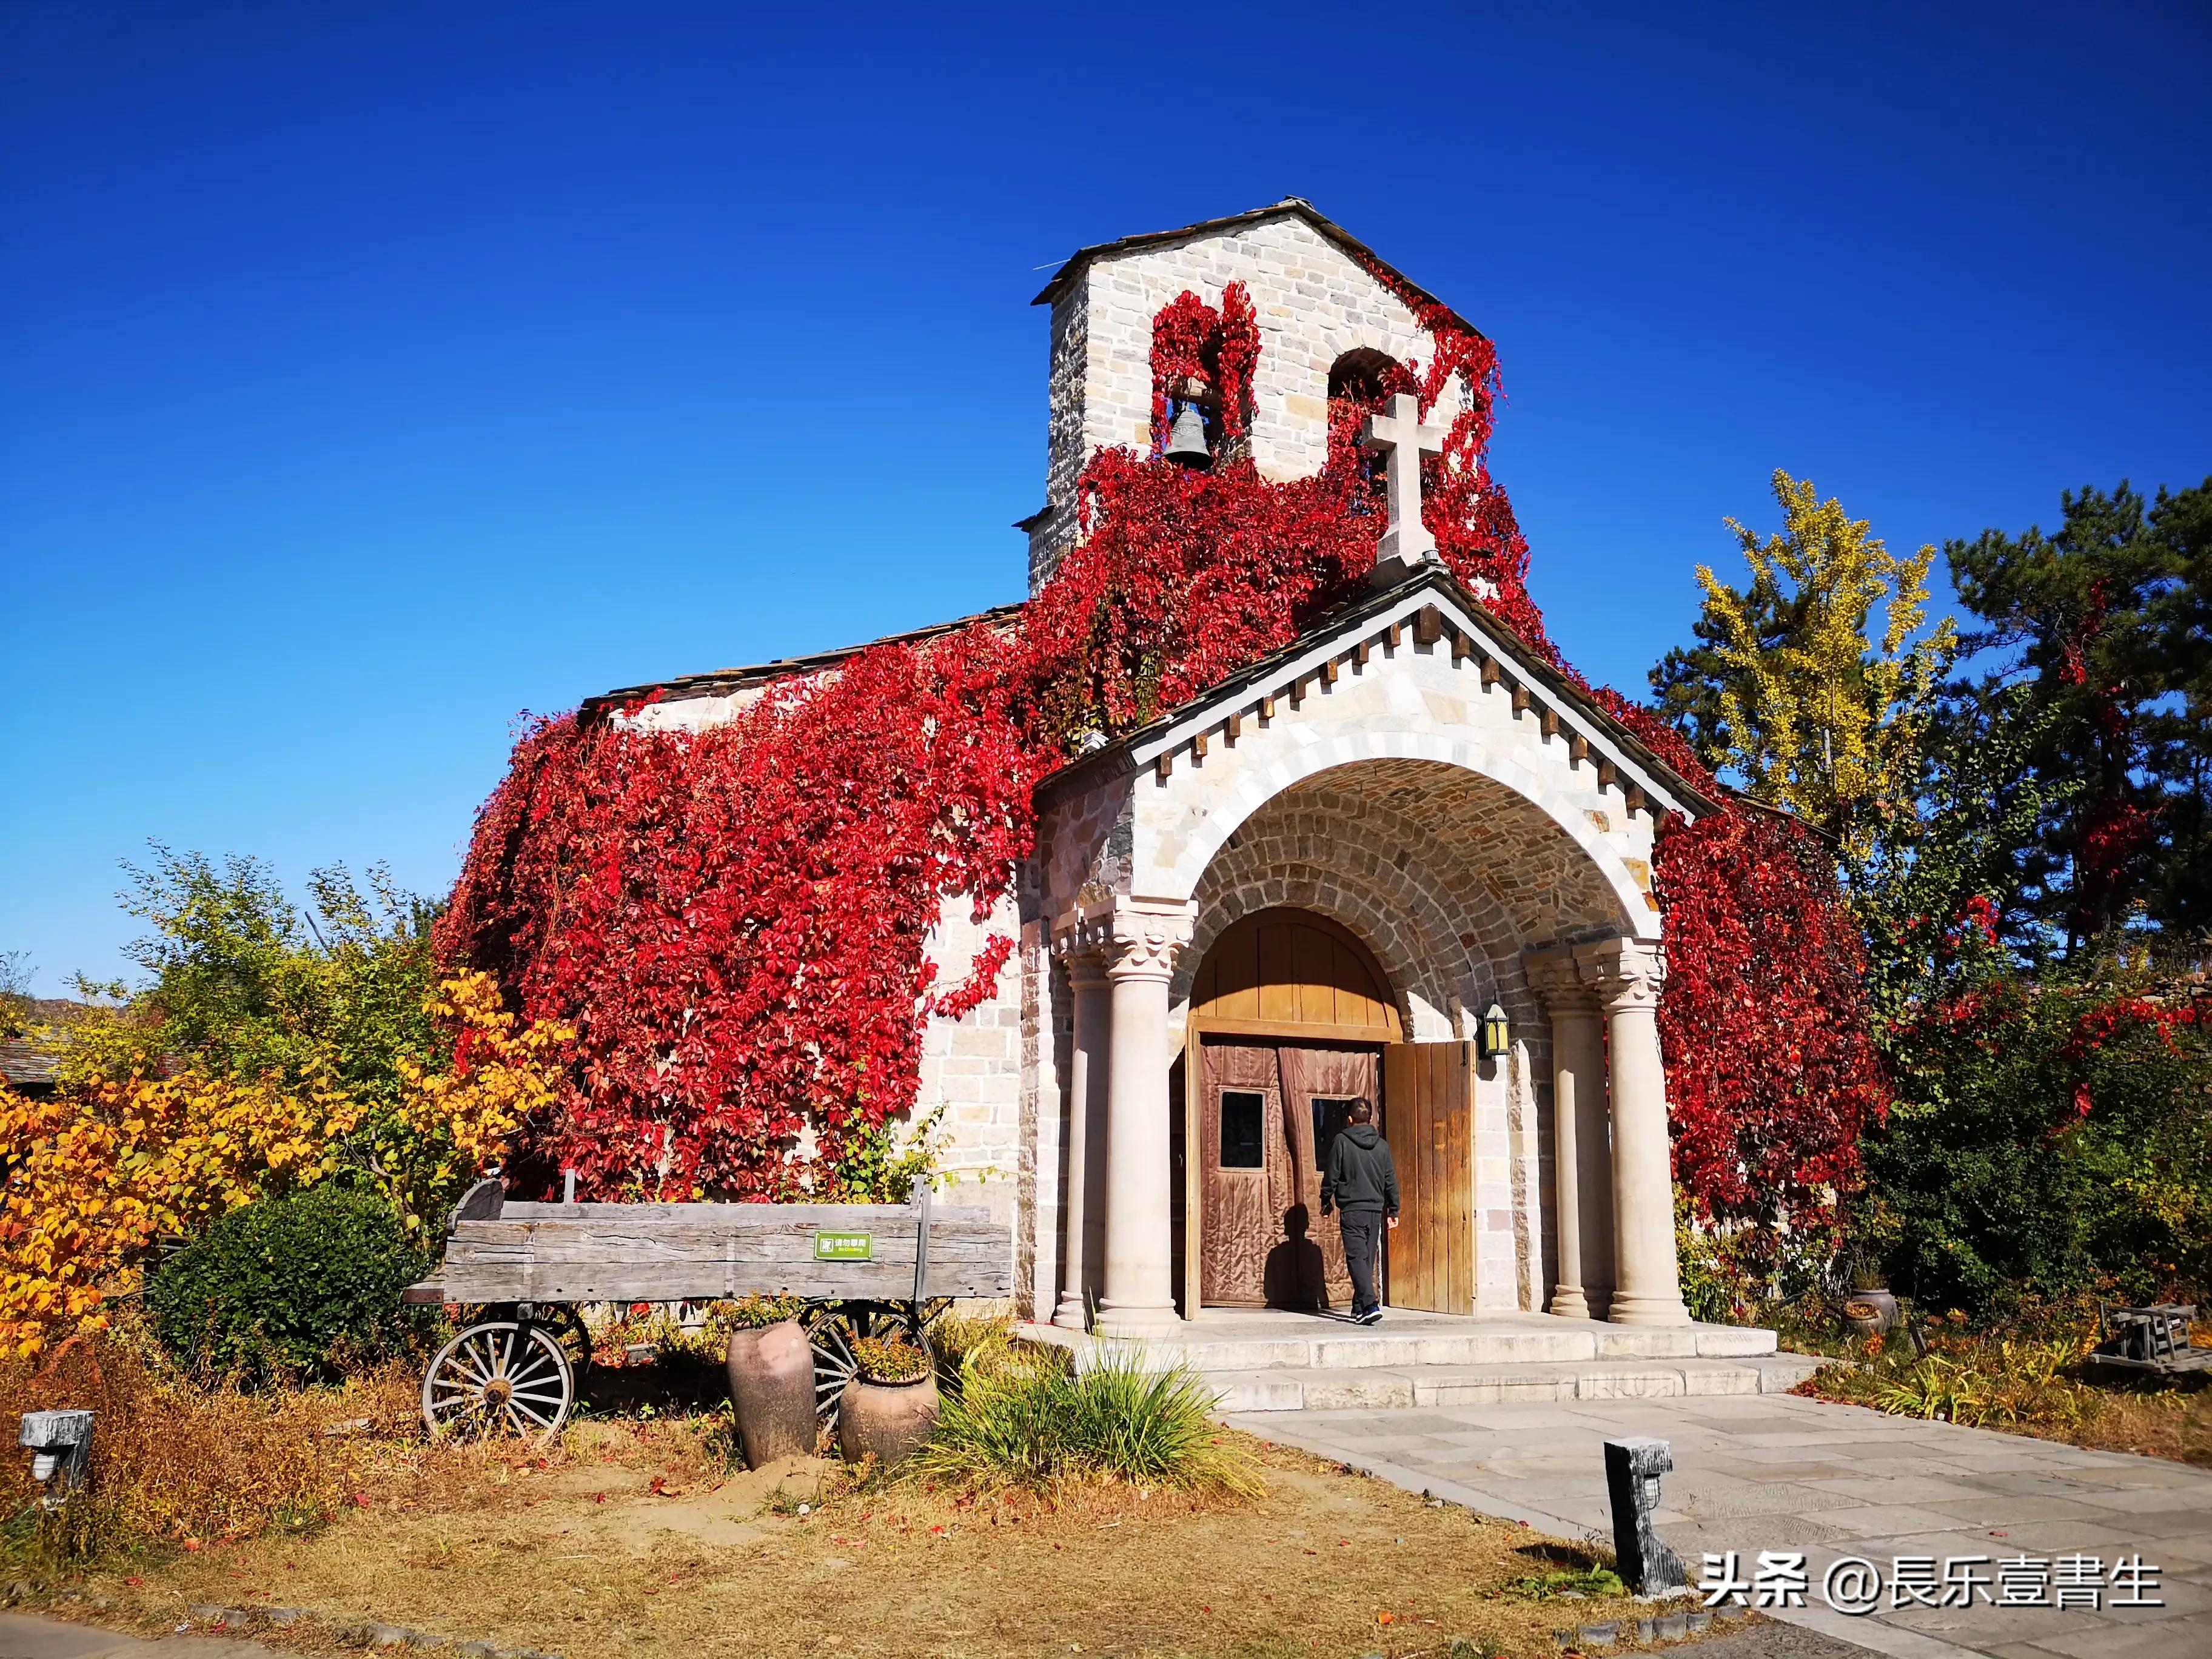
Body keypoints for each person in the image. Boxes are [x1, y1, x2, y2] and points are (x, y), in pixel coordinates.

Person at [1319, 1099, 1399, 1326]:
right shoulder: (1382, 1146)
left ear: (1350, 1119)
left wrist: (1326, 1201)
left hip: (1353, 1211)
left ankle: (1371, 1305)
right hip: (1375, 1211)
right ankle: (1359, 1308)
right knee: (1365, 1259)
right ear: (1371, 1119)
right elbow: (1390, 1179)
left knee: (1357, 1259)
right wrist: (1394, 1209)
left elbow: (1332, 1175)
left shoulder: (1342, 1142)